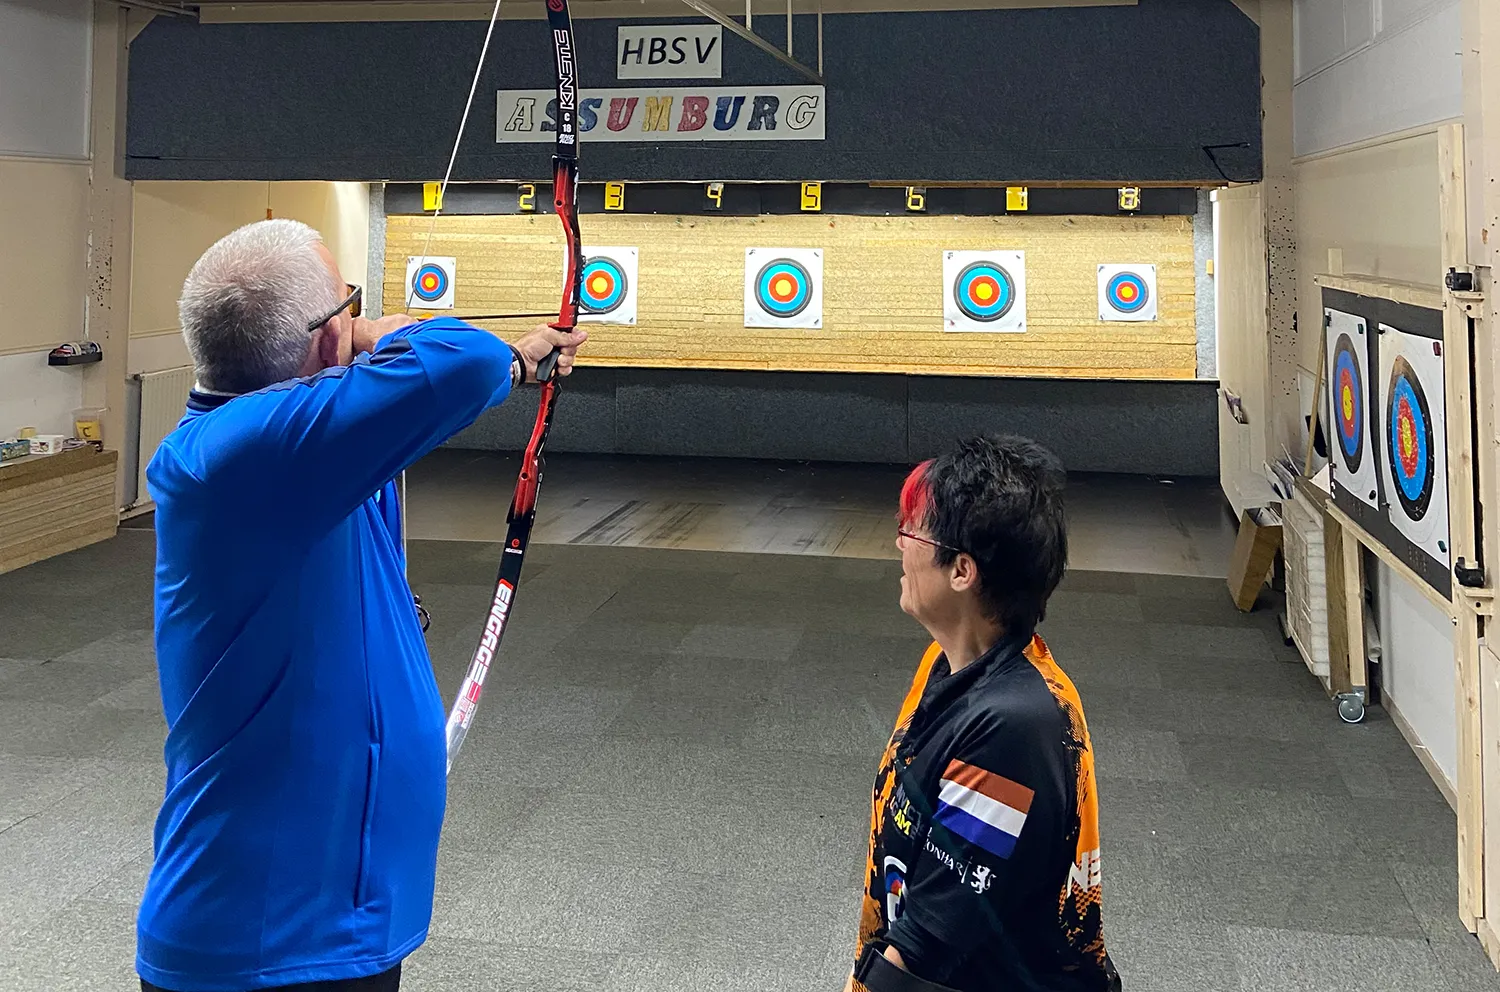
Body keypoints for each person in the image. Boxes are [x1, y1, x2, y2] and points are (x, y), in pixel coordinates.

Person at [136, 218, 586, 992]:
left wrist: (521, 360)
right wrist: (382, 334)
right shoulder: (242, 453)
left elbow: (451, 378)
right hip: (268, 943)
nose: (361, 315)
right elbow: (457, 359)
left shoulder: (293, 446)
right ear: (321, 339)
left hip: (329, 923)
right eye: (348, 303)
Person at [847, 435, 1121, 992]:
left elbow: (926, 948)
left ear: (962, 571)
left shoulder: (1013, 728)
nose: (899, 545)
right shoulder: (946, 665)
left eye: (911, 532)